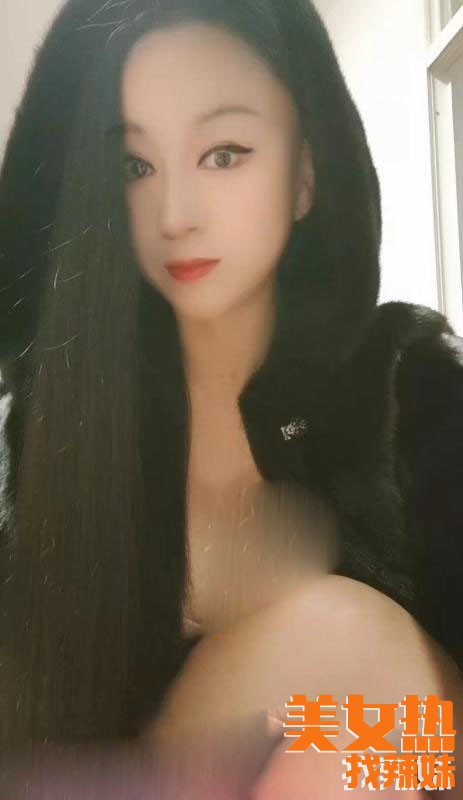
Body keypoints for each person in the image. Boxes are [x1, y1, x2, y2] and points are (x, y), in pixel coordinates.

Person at [0, 0, 462, 796]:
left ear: (305, 173)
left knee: (343, 656)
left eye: (223, 154)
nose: (176, 216)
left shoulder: (408, 392)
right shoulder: (59, 440)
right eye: (135, 168)